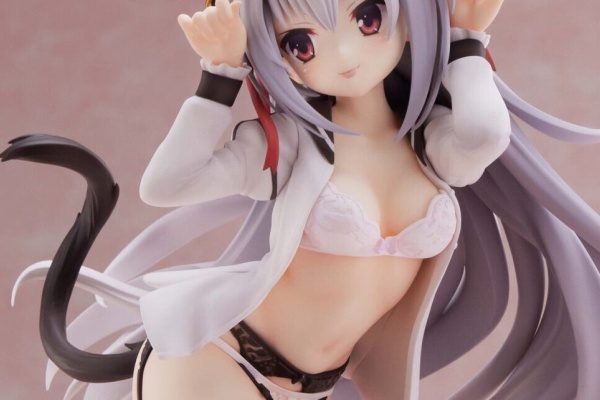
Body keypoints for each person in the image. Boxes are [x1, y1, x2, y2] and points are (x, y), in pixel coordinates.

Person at [5, 0, 600, 399]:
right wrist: (218, 76)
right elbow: (166, 186)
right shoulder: (292, 146)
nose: (344, 55)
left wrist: (466, 43)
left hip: (312, 387)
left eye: (366, 17)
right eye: (301, 44)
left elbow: (487, 136)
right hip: (221, 361)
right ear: (278, 60)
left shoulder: (433, 147)